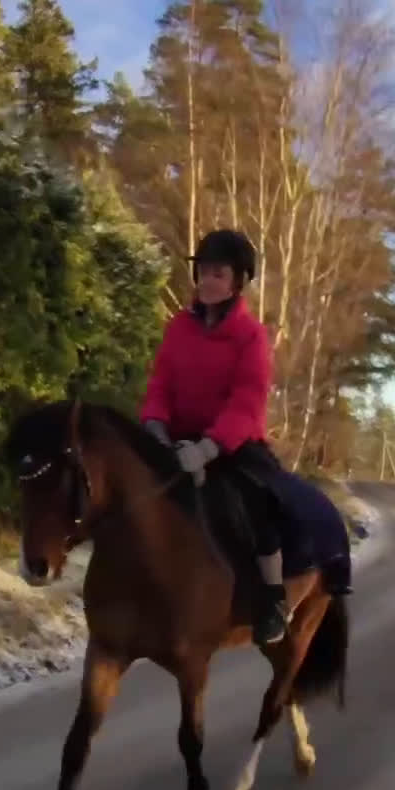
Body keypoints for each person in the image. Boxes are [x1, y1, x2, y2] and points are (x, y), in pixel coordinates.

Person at [139, 227, 328, 646]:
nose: (207, 281)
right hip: (175, 439)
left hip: (233, 445)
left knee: (261, 506)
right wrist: (154, 426)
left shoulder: (251, 337)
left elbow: (247, 403)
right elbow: (160, 386)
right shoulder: (178, 329)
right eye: (203, 272)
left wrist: (209, 448)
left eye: (218, 274)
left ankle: (273, 599)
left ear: (238, 281)